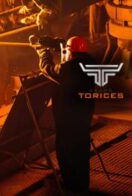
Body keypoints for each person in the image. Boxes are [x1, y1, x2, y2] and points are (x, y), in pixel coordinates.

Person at [35, 36, 96, 194]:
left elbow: (47, 68)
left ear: (70, 53)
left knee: (66, 153)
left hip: (68, 122)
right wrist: (53, 43)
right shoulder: (90, 64)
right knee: (81, 154)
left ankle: (70, 187)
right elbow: (67, 51)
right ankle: (82, 187)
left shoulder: (67, 69)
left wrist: (43, 52)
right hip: (83, 120)